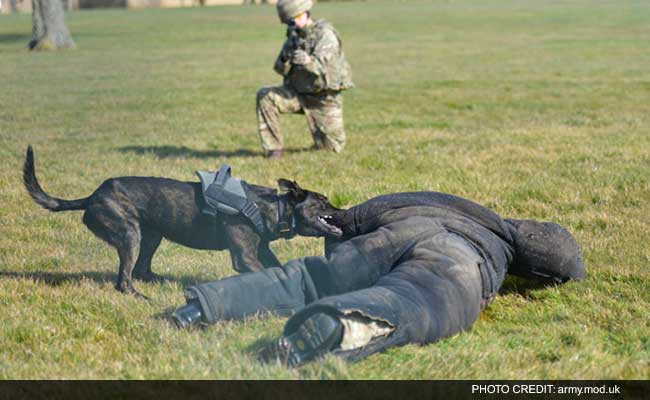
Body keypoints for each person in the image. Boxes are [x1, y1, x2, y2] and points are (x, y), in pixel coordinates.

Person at [172, 191, 585, 367]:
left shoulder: (410, 197)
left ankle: (198, 308)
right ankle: (336, 326)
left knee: (303, 279)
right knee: (415, 299)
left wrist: (342, 253)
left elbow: (346, 221)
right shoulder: (500, 230)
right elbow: (562, 257)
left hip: (384, 235)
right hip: (452, 256)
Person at [256, 0, 354, 158]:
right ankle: (274, 150)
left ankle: (325, 140)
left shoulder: (325, 34)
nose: (292, 24)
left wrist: (308, 61)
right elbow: (279, 69)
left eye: (294, 19)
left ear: (305, 13)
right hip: (299, 94)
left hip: (323, 98)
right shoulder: (294, 37)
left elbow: (328, 69)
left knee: (332, 150)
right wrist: (286, 59)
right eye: (289, 22)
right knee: (265, 96)